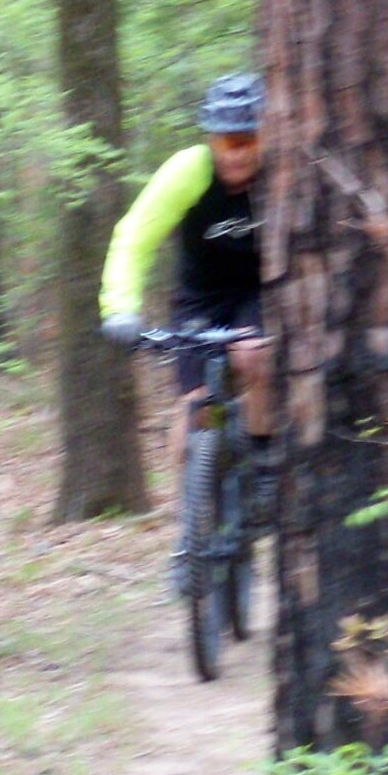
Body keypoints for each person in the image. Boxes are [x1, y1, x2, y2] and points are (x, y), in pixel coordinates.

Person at [100, 73, 277, 582]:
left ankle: (263, 466)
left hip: (258, 294)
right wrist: (121, 309)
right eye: (225, 142)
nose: (236, 154)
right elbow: (134, 236)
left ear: (264, 137)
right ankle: (191, 529)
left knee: (252, 354)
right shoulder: (189, 171)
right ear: (210, 139)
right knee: (194, 406)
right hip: (199, 299)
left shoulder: (281, 173)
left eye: (247, 141)